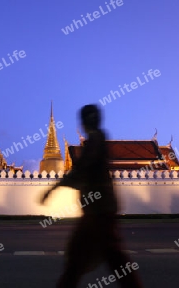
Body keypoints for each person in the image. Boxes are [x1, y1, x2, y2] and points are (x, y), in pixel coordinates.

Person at [40, 104, 143, 288]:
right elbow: (82, 171)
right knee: (89, 259)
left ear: (87, 122)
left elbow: (81, 169)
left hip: (99, 211)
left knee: (103, 259)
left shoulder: (95, 140)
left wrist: (53, 189)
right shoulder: (97, 140)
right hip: (97, 211)